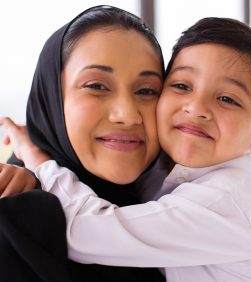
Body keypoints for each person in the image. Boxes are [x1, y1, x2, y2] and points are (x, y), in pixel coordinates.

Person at [1, 17, 251, 282]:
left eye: (227, 98)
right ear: (50, 98)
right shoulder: (160, 176)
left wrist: (39, 160)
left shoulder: (225, 204)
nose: (196, 108)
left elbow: (86, 231)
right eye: (180, 85)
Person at [0, 5, 166, 282]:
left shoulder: (179, 206)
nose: (127, 115)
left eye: (147, 90)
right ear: (51, 98)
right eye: (97, 86)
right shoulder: (14, 217)